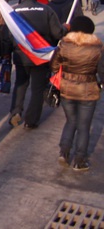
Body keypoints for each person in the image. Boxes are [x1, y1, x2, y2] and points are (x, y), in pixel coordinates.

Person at [9, 0, 66, 129]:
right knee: (37, 89)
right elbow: (57, 33)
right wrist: (66, 28)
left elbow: (8, 34)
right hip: (41, 56)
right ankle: (31, 120)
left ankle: (16, 111)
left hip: (21, 55)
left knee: (20, 84)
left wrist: (8, 51)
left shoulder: (14, 11)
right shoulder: (47, 10)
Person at [51, 16, 104, 171]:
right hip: (88, 91)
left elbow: (53, 65)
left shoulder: (64, 45)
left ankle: (64, 152)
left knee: (71, 121)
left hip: (67, 89)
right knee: (84, 126)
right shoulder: (97, 48)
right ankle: (79, 160)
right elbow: (102, 69)